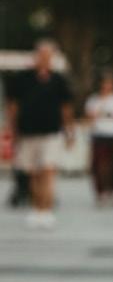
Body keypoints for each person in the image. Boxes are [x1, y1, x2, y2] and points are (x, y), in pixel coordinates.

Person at [4, 40, 74, 229]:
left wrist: (69, 132)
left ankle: (47, 209)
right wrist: (13, 128)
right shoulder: (22, 78)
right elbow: (13, 106)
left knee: (48, 171)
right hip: (28, 132)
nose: (44, 58)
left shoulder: (59, 80)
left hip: (51, 132)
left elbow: (65, 108)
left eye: (48, 55)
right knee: (33, 173)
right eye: (41, 54)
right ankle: (37, 209)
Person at [84, 70, 113, 207]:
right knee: (99, 166)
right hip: (99, 135)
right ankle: (101, 191)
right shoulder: (94, 100)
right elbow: (89, 119)